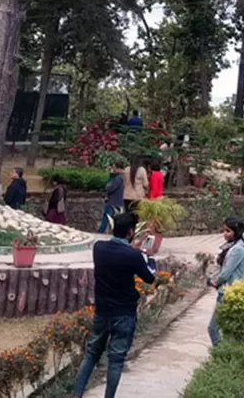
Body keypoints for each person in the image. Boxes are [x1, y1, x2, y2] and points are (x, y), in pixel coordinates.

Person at [72, 212, 157, 398]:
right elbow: (150, 277)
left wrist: (134, 249)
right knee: (116, 360)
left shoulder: (98, 248)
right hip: (124, 313)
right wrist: (149, 257)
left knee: (91, 354)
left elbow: (119, 251)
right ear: (130, 232)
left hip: (102, 311)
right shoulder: (133, 256)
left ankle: (77, 394)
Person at [208, 216, 244, 346]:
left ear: (236, 232)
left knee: (213, 328)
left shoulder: (237, 249)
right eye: (224, 230)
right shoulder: (232, 246)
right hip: (227, 291)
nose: (224, 234)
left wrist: (216, 282)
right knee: (226, 329)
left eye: (228, 231)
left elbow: (226, 273)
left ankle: (220, 355)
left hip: (228, 292)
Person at [99, 162, 126, 234]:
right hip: (118, 201)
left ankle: (100, 232)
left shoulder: (118, 178)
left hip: (112, 201)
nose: (113, 170)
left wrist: (111, 177)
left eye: (114, 168)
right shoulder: (124, 177)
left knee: (106, 217)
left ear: (118, 168)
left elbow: (110, 188)